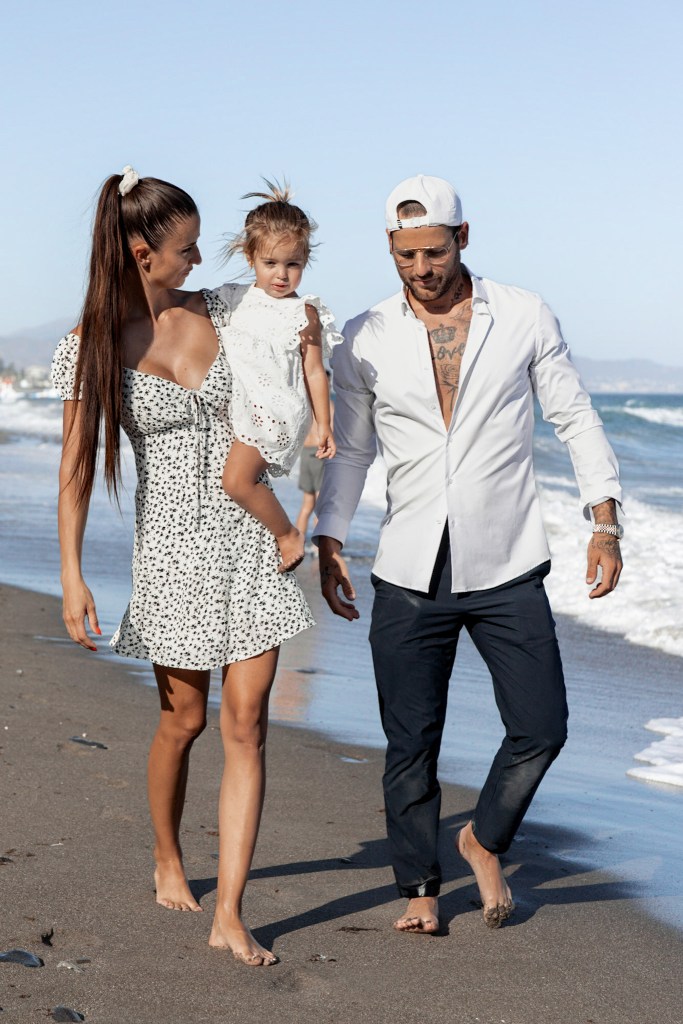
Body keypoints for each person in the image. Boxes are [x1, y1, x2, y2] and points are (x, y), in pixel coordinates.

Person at [314, 174, 623, 934]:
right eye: (404, 255)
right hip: (407, 568)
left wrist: (604, 521)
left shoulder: (522, 314)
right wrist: (329, 537)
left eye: (433, 251)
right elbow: (350, 451)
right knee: (410, 742)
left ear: (462, 237)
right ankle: (419, 888)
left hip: (507, 560)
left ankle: (483, 839)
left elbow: (573, 415)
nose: (420, 269)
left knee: (541, 726)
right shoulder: (363, 335)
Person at [53, 166, 314, 966]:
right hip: (170, 551)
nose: (201, 260)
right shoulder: (91, 346)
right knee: (184, 721)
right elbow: (74, 469)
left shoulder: (233, 311)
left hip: (252, 536)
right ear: (143, 253)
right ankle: (167, 854)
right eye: (188, 248)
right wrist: (71, 573)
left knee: (248, 722)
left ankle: (229, 910)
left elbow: (303, 340)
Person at [218, 184, 339, 572]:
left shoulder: (304, 312)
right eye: (270, 263)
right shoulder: (231, 298)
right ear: (249, 256)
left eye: (293, 264)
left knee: (236, 482)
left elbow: (314, 371)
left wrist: (324, 425)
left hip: (277, 411)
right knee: (235, 483)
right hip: (244, 403)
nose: (282, 275)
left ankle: (287, 533)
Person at [295, 372, 334, 545]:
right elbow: (333, 433)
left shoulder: (307, 405)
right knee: (321, 505)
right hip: (320, 454)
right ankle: (320, 549)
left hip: (305, 453)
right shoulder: (327, 406)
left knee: (307, 504)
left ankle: (297, 544)